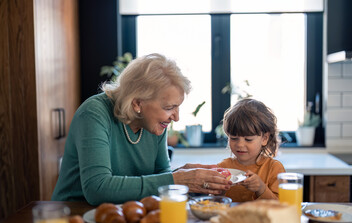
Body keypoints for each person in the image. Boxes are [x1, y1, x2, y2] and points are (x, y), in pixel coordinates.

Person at [52, 53, 232, 205]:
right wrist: (177, 180)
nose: (176, 117)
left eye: (177, 107)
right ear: (137, 103)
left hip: (126, 215)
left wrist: (183, 176)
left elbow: (160, 176)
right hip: (74, 216)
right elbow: (97, 189)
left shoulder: (154, 123)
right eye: (169, 108)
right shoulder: (94, 114)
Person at [216, 98, 285, 202]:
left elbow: (281, 207)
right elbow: (213, 204)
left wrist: (261, 188)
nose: (240, 144)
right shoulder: (223, 167)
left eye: (248, 139)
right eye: (234, 138)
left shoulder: (274, 168)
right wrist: (218, 191)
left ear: (264, 139)